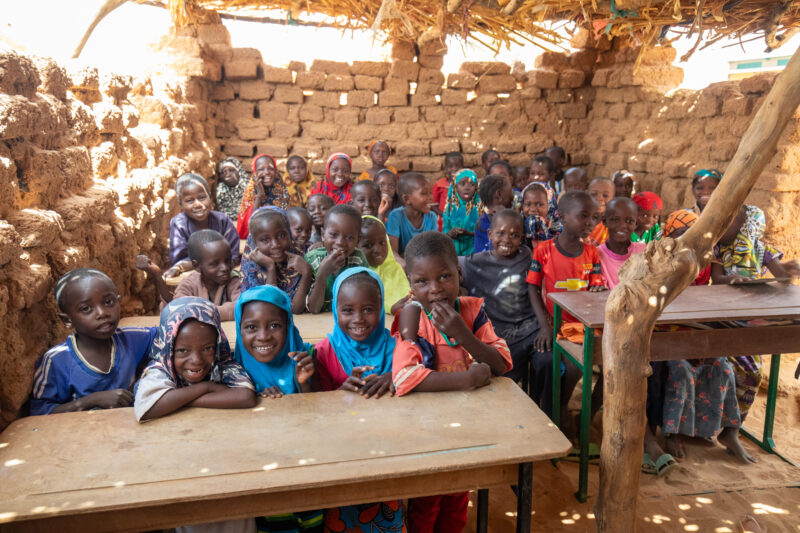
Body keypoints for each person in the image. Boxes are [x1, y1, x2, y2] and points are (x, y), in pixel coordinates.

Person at [392, 231, 512, 533]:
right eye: (422, 282)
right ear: (410, 285)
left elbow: (501, 363)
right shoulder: (411, 319)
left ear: (459, 274)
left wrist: (463, 334)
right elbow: (405, 377)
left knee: (458, 497)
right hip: (425, 433)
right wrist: (468, 379)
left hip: (468, 431)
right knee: (425, 502)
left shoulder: (472, 312)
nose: (435, 289)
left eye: (444, 276)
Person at [313, 267, 405, 532]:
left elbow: (413, 388)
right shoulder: (324, 351)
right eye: (347, 310)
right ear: (335, 310)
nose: (358, 319)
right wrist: (340, 392)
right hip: (340, 457)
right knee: (341, 516)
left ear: (381, 307)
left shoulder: (396, 349)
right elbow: (316, 407)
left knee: (385, 513)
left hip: (386, 452)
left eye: (368, 309)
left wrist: (395, 376)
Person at [710, 204, 799, 463]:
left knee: (752, 376)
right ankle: (720, 430)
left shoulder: (762, 249)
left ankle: (731, 431)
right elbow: (717, 279)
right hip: (721, 322)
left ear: (747, 226)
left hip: (750, 324)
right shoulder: (718, 250)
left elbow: (782, 279)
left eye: (731, 221)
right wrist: (735, 280)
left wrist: (790, 271)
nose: (723, 225)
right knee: (727, 373)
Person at [233, 286, 323, 532]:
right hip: (260, 478)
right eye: (251, 327)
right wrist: (254, 397)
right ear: (239, 330)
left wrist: (304, 384)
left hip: (306, 472)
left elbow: (321, 415)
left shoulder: (305, 358)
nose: (263, 336)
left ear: (289, 324)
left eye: (274, 325)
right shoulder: (234, 370)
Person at [30, 269, 157, 415]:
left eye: (108, 302)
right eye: (86, 309)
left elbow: (171, 334)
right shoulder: (56, 361)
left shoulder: (132, 338)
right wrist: (91, 401)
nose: (102, 313)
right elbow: (39, 413)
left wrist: (149, 374)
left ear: (118, 301)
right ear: (67, 320)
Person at [526, 192, 605, 422]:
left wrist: (597, 292)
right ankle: (557, 410)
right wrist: (544, 325)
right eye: (583, 216)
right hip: (555, 322)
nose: (590, 223)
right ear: (561, 216)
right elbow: (532, 287)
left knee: (588, 366)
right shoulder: (544, 250)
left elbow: (595, 289)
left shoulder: (591, 252)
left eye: (594, 217)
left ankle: (572, 414)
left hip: (582, 325)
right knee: (569, 368)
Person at [133, 297, 255, 422]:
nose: (196, 360)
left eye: (207, 348)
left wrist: (176, 402)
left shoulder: (221, 361)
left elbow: (246, 397)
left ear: (218, 344)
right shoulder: (161, 368)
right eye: (182, 351)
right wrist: (206, 387)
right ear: (167, 348)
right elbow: (147, 408)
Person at [460, 209, 537, 384]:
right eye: (500, 233)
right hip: (494, 334)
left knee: (546, 361)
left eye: (514, 235)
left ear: (522, 238)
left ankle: (544, 407)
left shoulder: (527, 256)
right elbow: (447, 263)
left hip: (528, 330)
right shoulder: (474, 262)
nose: (506, 240)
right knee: (502, 381)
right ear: (489, 234)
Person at [136, 230, 242, 321]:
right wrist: (157, 276)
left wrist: (199, 312)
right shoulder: (189, 283)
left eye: (228, 261)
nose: (225, 268)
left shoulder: (233, 280)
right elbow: (177, 306)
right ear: (197, 266)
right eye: (214, 264)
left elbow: (239, 307)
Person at [240, 206, 313, 314]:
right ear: (254, 242)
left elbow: (296, 309)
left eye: (281, 235)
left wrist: (307, 273)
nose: (275, 245)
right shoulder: (251, 267)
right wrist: (271, 269)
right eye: (265, 240)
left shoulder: (302, 256)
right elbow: (268, 310)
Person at [168, 173, 240, 275]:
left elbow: (233, 257)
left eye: (202, 198)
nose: (198, 204)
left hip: (222, 276)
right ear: (181, 204)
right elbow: (179, 260)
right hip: (191, 277)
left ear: (210, 197)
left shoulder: (222, 220)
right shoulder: (179, 224)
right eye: (189, 200)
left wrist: (189, 265)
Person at [305, 205, 369, 313]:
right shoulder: (313, 259)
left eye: (349, 237)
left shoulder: (358, 259)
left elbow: (360, 300)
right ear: (323, 234)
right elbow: (314, 309)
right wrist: (323, 274)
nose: (340, 242)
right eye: (333, 235)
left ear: (358, 240)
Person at [359, 215, 410, 314]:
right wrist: (391, 308)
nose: (378, 250)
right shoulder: (357, 277)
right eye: (368, 245)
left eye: (382, 243)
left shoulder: (396, 270)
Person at [236, 153, 290, 239]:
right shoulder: (250, 191)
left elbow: (285, 221)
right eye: (261, 169)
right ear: (255, 172)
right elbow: (250, 223)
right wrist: (259, 195)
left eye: (271, 168)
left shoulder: (281, 190)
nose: (267, 172)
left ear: (276, 171)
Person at [386, 172, 437, 261]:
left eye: (430, 193)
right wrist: (404, 264)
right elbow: (393, 252)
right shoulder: (396, 216)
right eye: (424, 193)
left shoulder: (431, 217)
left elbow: (432, 248)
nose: (431, 198)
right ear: (406, 199)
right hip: (402, 262)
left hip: (424, 261)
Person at [597, 198, 646, 290]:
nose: (623, 225)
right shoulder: (596, 255)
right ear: (605, 221)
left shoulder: (644, 251)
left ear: (636, 224)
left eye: (629, 221)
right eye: (615, 220)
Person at [443, 169, 480, 256]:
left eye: (472, 184)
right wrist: (449, 233)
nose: (467, 188)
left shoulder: (480, 208)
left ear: (476, 188)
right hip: (453, 253)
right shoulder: (449, 208)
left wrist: (468, 233)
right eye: (462, 184)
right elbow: (445, 233)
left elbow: (487, 233)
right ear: (455, 187)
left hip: (475, 253)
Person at [473, 174, 514, 253]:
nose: (512, 196)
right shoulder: (485, 224)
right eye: (510, 191)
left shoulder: (482, 220)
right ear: (499, 195)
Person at [521, 182, 560, 250]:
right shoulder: (518, 226)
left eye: (539, 204)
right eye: (527, 204)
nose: (533, 209)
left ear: (550, 205)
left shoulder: (560, 232)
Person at [433, 152, 464, 231]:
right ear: (446, 168)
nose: (454, 169)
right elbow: (433, 205)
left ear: (463, 167)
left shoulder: (467, 185)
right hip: (443, 220)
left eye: (458, 166)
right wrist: (444, 215)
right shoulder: (439, 185)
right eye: (450, 166)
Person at [215, 157, 250, 222]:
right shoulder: (221, 191)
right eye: (223, 172)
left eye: (231, 170)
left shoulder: (249, 188)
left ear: (239, 172)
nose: (227, 174)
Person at [584, 177, 615, 247]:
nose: (599, 198)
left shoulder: (614, 224)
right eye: (594, 194)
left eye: (605, 195)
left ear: (613, 198)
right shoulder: (579, 221)